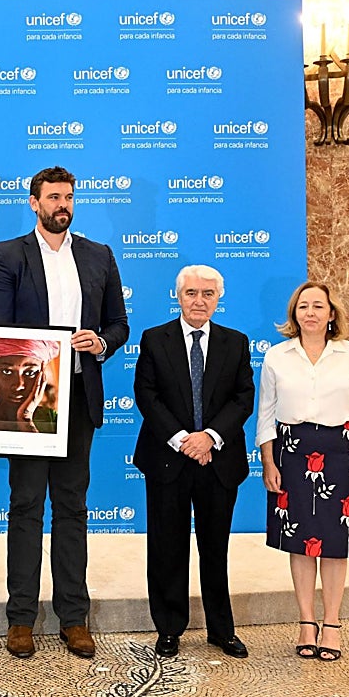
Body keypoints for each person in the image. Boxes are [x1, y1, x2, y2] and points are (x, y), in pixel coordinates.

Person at [0, 165, 129, 660]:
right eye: (52, 198)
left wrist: (101, 341)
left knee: (73, 510)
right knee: (25, 508)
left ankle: (74, 618)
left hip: (80, 396)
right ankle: (20, 618)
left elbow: (118, 323)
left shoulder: (98, 255)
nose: (61, 205)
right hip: (28, 406)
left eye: (68, 197)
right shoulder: (6, 255)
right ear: (33, 202)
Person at [133, 265, 255, 659]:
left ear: (218, 298)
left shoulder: (236, 342)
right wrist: (184, 440)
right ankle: (169, 628)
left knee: (215, 548)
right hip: (169, 459)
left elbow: (243, 398)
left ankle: (221, 630)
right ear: (179, 296)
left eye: (207, 293)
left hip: (218, 461)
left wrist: (210, 438)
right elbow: (147, 395)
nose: (199, 300)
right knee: (166, 547)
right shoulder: (155, 339)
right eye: (191, 293)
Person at [258, 282, 349, 661]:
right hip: (292, 454)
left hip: (342, 454)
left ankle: (333, 622)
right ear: (295, 314)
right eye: (302, 306)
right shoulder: (277, 356)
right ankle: (307, 622)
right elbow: (266, 413)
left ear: (331, 313)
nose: (310, 312)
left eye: (317, 306)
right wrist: (268, 461)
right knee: (301, 543)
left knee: (336, 543)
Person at [0, 338, 60, 433]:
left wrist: (25, 418)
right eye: (7, 372)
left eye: (30, 373)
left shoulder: (52, 420)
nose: (18, 386)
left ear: (42, 375)